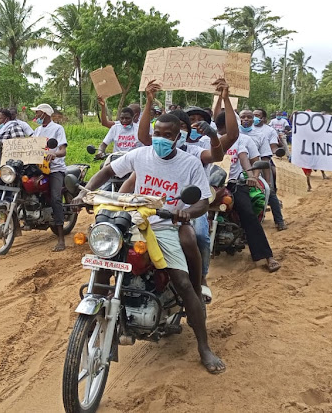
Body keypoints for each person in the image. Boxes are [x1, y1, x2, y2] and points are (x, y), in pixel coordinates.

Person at [75, 113, 225, 374]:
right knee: (102, 264)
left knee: (183, 282)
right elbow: (109, 170)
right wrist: (85, 192)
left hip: (165, 226)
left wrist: (187, 212)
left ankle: (204, 347)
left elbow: (202, 199)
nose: (160, 139)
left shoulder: (189, 163)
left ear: (178, 137)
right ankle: (94, 319)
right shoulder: (140, 154)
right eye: (158, 133)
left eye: (167, 135)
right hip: (135, 220)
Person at [137, 79, 239, 302]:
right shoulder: (153, 152)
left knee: (201, 235)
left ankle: (200, 279)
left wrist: (225, 99)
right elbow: (143, 137)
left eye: (185, 127)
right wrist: (148, 102)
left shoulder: (197, 151)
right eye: (183, 124)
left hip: (189, 209)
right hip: (156, 209)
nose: (182, 130)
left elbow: (229, 139)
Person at [215, 111, 281, 273]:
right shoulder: (209, 140)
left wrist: (253, 177)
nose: (225, 129)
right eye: (222, 126)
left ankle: (267, 256)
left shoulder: (244, 140)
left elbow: (252, 161)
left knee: (248, 214)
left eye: (228, 125)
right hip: (211, 185)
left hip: (234, 183)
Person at [30, 103, 69, 252]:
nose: (36, 116)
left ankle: (60, 238)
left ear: (45, 114)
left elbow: (63, 150)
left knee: (55, 198)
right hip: (38, 167)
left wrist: (54, 154)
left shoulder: (58, 129)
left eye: (38, 113)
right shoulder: (37, 130)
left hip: (54, 169)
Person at [241, 109, 287, 230]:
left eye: (250, 117)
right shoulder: (234, 133)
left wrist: (266, 180)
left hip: (257, 169)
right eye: (243, 117)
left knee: (269, 190)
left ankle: (279, 221)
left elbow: (265, 158)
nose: (246, 119)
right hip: (236, 171)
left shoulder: (263, 134)